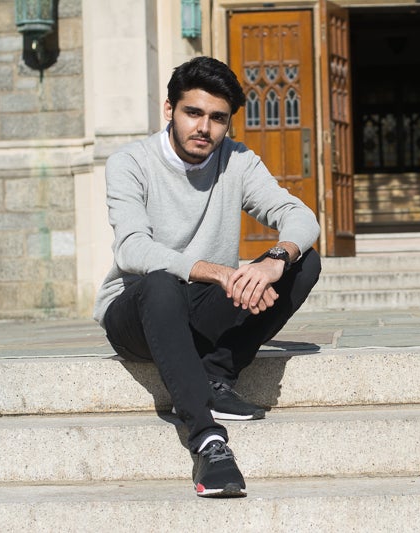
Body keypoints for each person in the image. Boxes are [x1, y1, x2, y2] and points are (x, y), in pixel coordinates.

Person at [92, 56, 321, 498]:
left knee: (304, 260)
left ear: (228, 123)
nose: (204, 128)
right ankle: (207, 439)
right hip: (137, 312)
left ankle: (218, 374)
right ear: (169, 110)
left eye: (217, 119)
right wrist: (220, 272)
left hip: (200, 305)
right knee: (159, 281)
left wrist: (275, 259)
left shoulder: (237, 161)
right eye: (193, 113)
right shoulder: (130, 163)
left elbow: (299, 216)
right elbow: (132, 248)